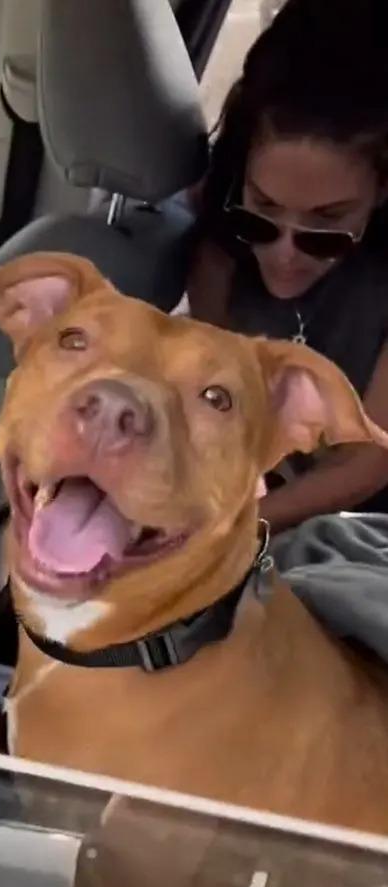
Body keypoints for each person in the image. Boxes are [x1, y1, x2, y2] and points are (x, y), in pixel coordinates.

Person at [188, 0, 388, 532]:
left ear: (382, 192)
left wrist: (221, 535)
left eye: (327, 227)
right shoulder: (217, 247)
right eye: (263, 213)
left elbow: (367, 463)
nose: (284, 255)